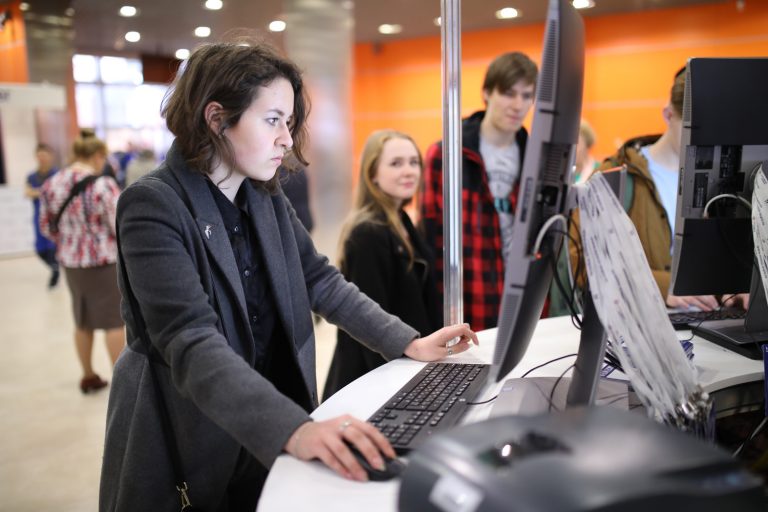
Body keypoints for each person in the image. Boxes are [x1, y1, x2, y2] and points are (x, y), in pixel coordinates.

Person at [99, 40, 477, 511]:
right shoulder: (153, 205)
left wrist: (406, 341)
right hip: (192, 434)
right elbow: (189, 339)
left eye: (290, 122)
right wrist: (293, 429)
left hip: (270, 418)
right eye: (273, 120)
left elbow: (319, 279)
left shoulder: (264, 194)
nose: (286, 138)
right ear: (216, 118)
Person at [570, 68, 728, 310]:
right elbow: (582, 260)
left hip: (709, 319)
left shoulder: (719, 179)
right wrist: (664, 286)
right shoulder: (616, 175)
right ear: (668, 115)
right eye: (695, 129)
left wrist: (733, 288)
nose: (703, 140)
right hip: (640, 321)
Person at [420, 51, 538, 331]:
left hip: (524, 301)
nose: (518, 105)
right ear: (487, 92)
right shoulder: (447, 155)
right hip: (468, 303)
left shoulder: (537, 158)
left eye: (527, 95)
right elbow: (430, 240)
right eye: (508, 93)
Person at [323, 130, 443, 400]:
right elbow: (368, 326)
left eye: (414, 162)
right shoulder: (368, 233)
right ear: (372, 174)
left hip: (405, 367)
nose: (409, 171)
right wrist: (396, 395)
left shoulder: (402, 221)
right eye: (396, 163)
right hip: (375, 382)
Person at [39, 130, 125, 393]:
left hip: (70, 262)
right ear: (97, 156)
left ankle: (88, 376)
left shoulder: (52, 183)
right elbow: (117, 224)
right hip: (103, 262)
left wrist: (69, 241)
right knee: (114, 322)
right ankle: (122, 384)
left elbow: (46, 226)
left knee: (82, 320)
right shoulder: (103, 185)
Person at [25, 144, 60, 288]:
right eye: (39, 155)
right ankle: (55, 268)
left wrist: (38, 192)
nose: (42, 158)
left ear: (50, 156)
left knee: (53, 247)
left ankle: (55, 271)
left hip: (54, 216)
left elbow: (57, 192)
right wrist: (44, 191)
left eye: (44, 155)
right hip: (38, 216)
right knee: (40, 249)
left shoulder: (57, 174)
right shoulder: (32, 176)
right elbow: (28, 192)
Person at [574, 119, 598, 183]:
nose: (573, 150)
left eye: (577, 144)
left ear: (587, 146)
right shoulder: (564, 173)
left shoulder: (599, 169)